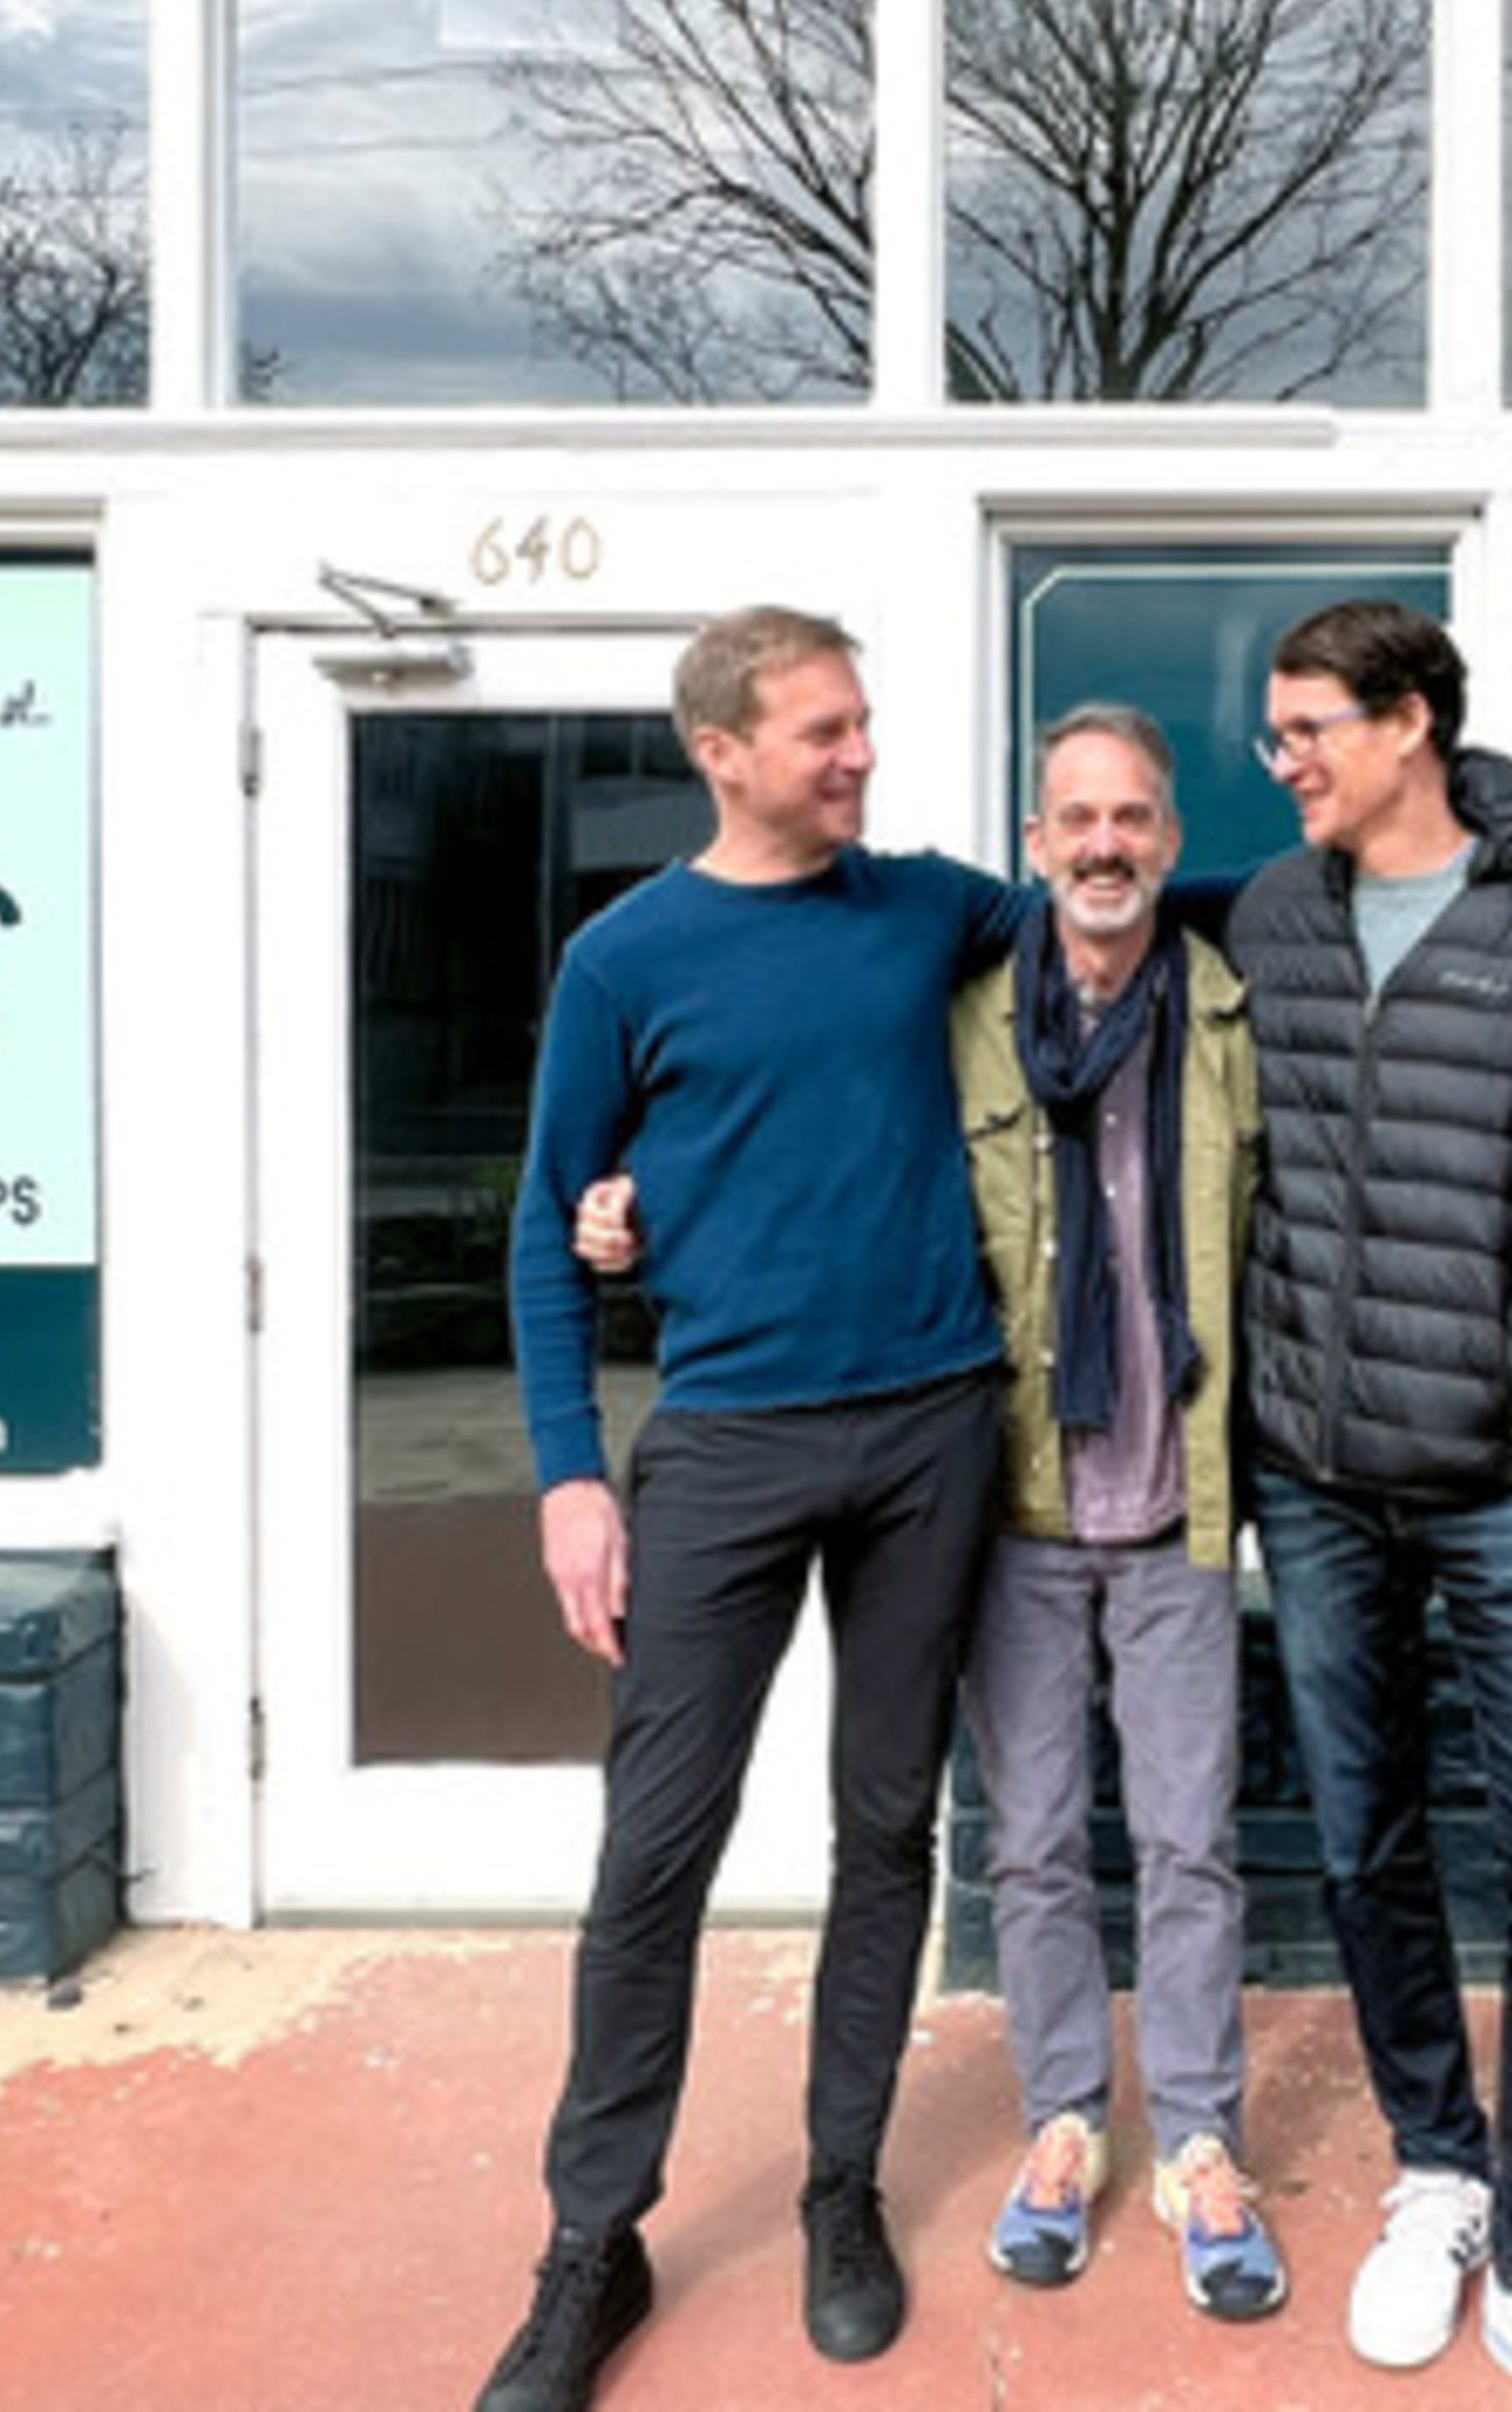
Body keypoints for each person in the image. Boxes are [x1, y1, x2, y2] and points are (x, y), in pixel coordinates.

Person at [479, 605, 1021, 2412]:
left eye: (863, 723)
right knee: (656, 1852)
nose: (860, 756)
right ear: (723, 753)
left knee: (885, 1832)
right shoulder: (627, 959)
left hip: (936, 1428)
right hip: (725, 1442)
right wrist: (567, 1471)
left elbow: (1129, 904)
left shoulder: (928, 907)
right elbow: (550, 1229)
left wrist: (1397, 827)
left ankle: (841, 2190)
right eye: (824, 734)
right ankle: (590, 2240)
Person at [1227, 599, 1512, 2410]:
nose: (1286, 765)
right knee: (1364, 1845)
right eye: (1277, 737)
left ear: (1410, 722)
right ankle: (1441, 2169)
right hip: (1321, 1480)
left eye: (1310, 731)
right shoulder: (1274, 915)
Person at [950, 706, 1283, 2321]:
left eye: (1132, 819)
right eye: (1075, 818)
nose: (1103, 845)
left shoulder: (1227, 1015)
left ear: (1169, 838)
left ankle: (1204, 2138)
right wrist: (635, 1198)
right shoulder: (956, 1024)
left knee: (1188, 1847)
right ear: (1034, 842)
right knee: (1027, 1850)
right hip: (1011, 1505)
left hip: (1176, 1505)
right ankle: (1066, 2123)